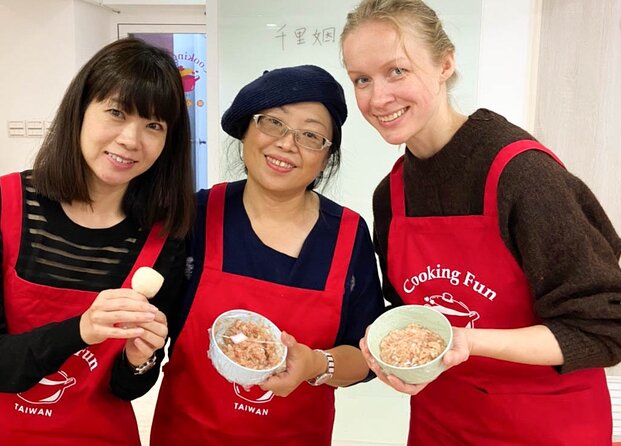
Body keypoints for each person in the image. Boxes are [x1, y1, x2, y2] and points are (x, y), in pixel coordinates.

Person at [340, 0, 621, 444]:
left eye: (397, 71)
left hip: (545, 423)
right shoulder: (390, 197)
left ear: (445, 64)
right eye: (362, 79)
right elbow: (411, 310)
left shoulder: (524, 176)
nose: (378, 97)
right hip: (441, 422)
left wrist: (469, 341)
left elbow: (603, 328)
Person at [0, 37, 195, 446]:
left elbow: (128, 389)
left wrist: (140, 361)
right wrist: (81, 329)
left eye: (154, 125)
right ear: (80, 111)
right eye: (116, 112)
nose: (131, 140)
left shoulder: (164, 236)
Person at [149, 65, 385, 446]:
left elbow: (365, 355)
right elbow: (151, 330)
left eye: (311, 135)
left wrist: (314, 364)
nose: (287, 144)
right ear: (245, 130)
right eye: (273, 123)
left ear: (326, 158)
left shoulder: (347, 235)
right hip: (188, 434)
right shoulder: (197, 216)